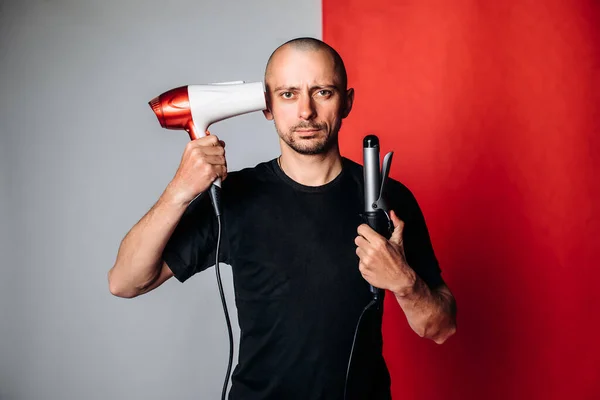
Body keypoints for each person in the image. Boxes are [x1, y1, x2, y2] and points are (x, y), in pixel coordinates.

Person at [108, 37, 457, 400]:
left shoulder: (386, 198)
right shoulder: (234, 198)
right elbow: (126, 282)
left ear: (347, 102)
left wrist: (404, 282)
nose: (306, 111)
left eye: (322, 92)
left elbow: (441, 328)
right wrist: (179, 190)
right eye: (289, 94)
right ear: (267, 106)